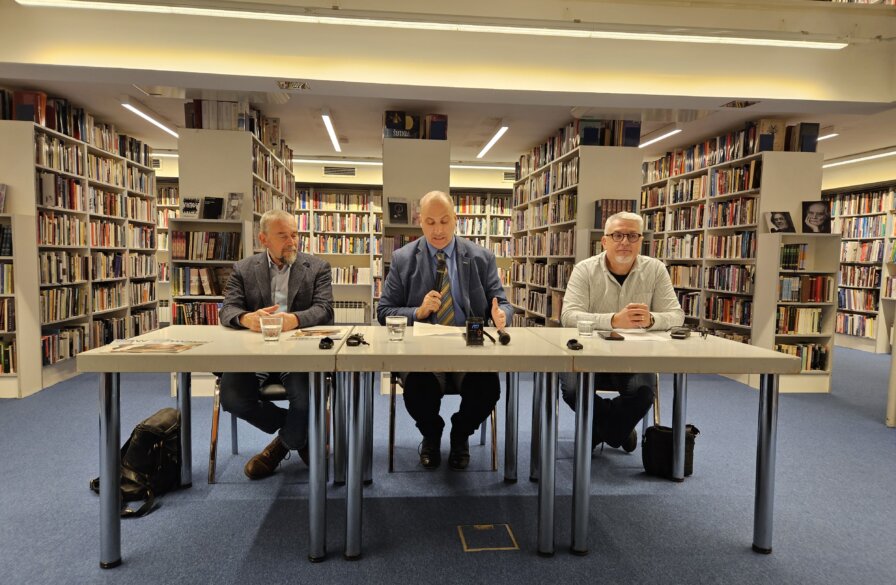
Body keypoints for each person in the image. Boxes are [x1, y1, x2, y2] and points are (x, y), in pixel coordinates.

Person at [377, 190, 513, 471]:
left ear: (455, 220)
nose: (438, 230)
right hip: (423, 350)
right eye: (430, 222)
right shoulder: (403, 259)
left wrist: (501, 316)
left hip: (470, 345)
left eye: (444, 221)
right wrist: (418, 312)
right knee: (417, 390)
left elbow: (503, 304)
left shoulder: (480, 257)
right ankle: (432, 433)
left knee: (487, 388)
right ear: (420, 223)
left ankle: (460, 433)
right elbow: (384, 311)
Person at [218, 209, 334, 480]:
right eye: (283, 236)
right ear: (264, 239)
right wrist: (247, 318)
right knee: (232, 398)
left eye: (294, 234)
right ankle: (298, 433)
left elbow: (325, 309)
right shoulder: (244, 269)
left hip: (298, 352)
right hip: (254, 350)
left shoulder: (317, 267)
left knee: (306, 400)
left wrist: (294, 320)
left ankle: (279, 447)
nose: (291, 241)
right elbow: (228, 309)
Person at [560, 211, 684, 453]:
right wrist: (613, 320)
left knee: (644, 394)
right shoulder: (584, 270)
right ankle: (619, 431)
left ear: (641, 241)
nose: (624, 242)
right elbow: (568, 316)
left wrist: (651, 320)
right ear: (604, 241)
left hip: (634, 356)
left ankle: (602, 432)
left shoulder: (656, 270)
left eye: (632, 236)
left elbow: (676, 315)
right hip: (588, 355)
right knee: (573, 391)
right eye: (617, 235)